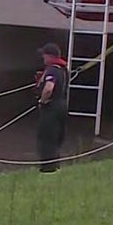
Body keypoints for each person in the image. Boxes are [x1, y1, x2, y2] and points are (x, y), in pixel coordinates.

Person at [35, 42, 69, 174]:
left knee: (46, 137)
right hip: (62, 105)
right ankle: (56, 165)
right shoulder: (64, 69)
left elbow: (49, 88)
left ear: (50, 56)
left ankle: (47, 169)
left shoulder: (53, 69)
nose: (43, 58)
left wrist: (42, 101)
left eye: (44, 55)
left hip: (51, 107)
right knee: (57, 137)